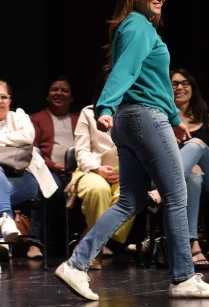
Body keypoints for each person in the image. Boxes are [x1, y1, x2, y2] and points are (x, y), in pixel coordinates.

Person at [54, 0, 209, 300]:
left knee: (130, 200)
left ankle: (76, 263)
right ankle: (184, 277)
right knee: (176, 194)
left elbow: (152, 80)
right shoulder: (138, 26)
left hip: (133, 119)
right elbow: (125, 70)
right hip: (144, 118)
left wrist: (175, 117)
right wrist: (104, 106)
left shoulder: (135, 27)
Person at [0, 80, 58, 276]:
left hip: (24, 178)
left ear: (10, 101)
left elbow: (28, 137)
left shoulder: (19, 117)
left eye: (3, 97)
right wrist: (11, 145)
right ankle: (5, 218)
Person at [68, 68, 135, 269]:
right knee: (98, 190)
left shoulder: (134, 113)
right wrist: (98, 169)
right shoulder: (89, 112)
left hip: (126, 170)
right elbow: (81, 151)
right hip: (92, 169)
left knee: (130, 196)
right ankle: (95, 249)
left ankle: (89, 239)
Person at [171, 69, 209, 269]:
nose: (180, 87)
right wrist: (188, 166)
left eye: (185, 83)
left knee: (196, 145)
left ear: (193, 88)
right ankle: (193, 244)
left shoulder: (208, 118)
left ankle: (162, 191)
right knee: (192, 177)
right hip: (182, 181)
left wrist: (197, 159)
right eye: (174, 83)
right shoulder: (162, 120)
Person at [29, 76, 79, 258]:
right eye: (54, 90)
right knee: (50, 189)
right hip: (49, 170)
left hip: (78, 170)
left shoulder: (79, 118)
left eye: (64, 90)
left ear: (71, 97)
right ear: (48, 95)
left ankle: (81, 243)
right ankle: (35, 242)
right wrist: (55, 165)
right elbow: (32, 151)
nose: (59, 93)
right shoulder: (36, 119)